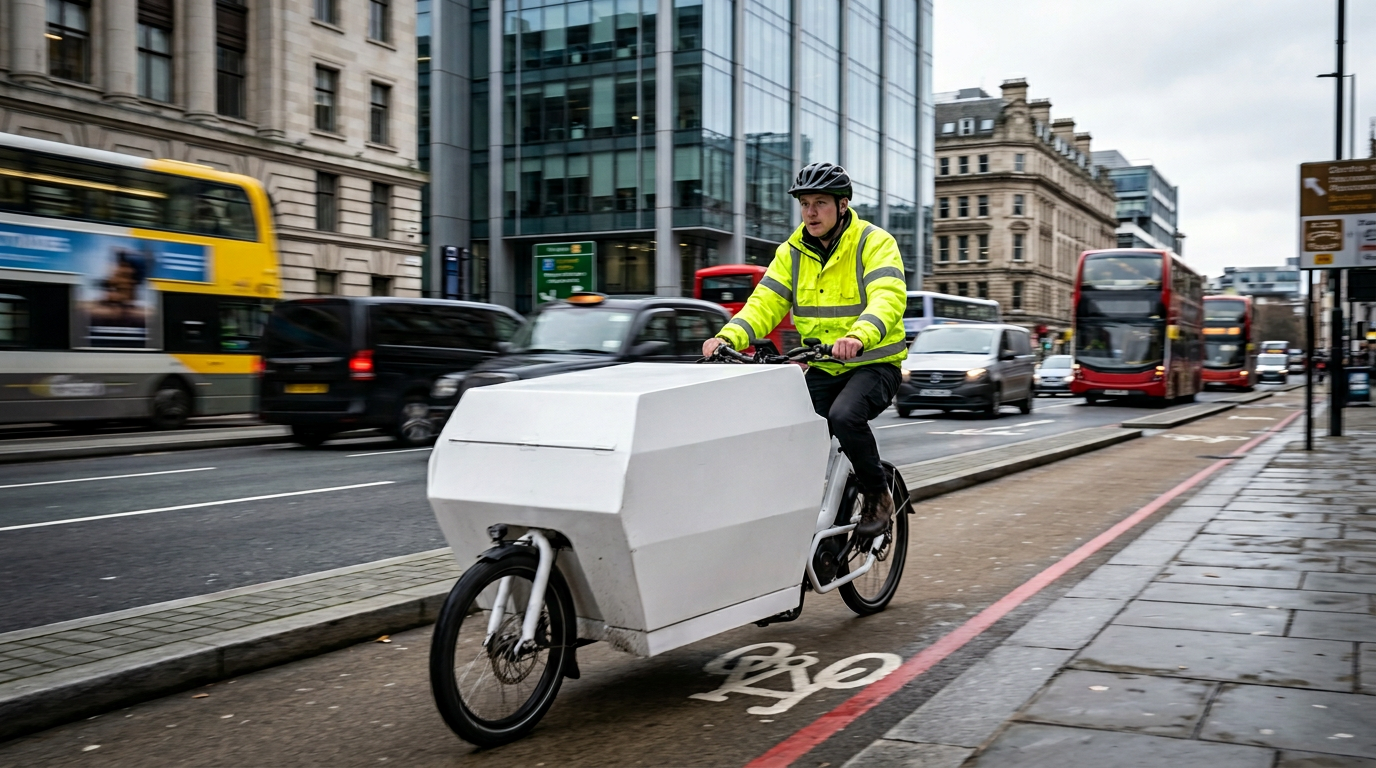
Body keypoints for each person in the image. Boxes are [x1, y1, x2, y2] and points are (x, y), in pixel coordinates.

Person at [702, 162, 908, 537]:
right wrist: (728, 337)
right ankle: (800, 505)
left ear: (842, 205)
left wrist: (859, 336)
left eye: (820, 203)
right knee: (786, 423)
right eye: (804, 203)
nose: (810, 212)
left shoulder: (873, 242)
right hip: (825, 366)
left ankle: (878, 494)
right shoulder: (791, 252)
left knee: (845, 416)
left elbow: (887, 298)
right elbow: (765, 302)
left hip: (874, 364)